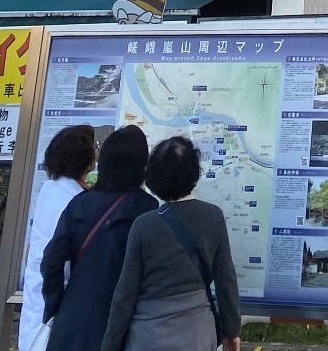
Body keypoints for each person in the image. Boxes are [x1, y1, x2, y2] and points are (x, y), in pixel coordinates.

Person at [100, 135, 241, 351]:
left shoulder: (144, 225)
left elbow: (125, 295)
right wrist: (231, 332)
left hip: (149, 335)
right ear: (194, 172)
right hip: (197, 334)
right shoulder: (213, 217)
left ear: (154, 176)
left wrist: (110, 344)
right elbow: (226, 281)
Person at [41, 126, 157, 351]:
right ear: (141, 165)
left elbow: (51, 262)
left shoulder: (79, 203)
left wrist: (57, 306)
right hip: (119, 327)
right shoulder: (146, 208)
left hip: (70, 324)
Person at [20, 125, 97, 350]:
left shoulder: (48, 191)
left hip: (36, 309)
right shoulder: (77, 203)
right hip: (60, 309)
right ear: (87, 161)